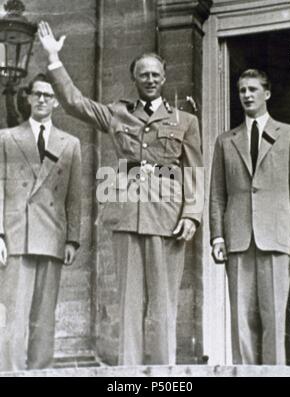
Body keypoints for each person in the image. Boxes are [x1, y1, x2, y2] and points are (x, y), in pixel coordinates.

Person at [38, 21, 204, 365]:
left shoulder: (185, 121)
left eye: (156, 74)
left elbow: (194, 170)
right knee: (129, 301)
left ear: (164, 76)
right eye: (143, 74)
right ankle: (128, 374)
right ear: (135, 79)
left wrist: (192, 214)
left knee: (163, 301)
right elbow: (73, 103)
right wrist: (54, 58)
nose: (150, 79)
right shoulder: (117, 113)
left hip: (167, 216)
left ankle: (164, 377)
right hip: (127, 211)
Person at [209, 68, 290, 365]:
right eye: (242, 90)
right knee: (241, 321)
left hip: (276, 237)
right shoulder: (226, 141)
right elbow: (217, 194)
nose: (246, 95)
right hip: (238, 239)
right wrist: (217, 236)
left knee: (273, 317)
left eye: (252, 89)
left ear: (267, 93)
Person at [0, 73, 82, 371]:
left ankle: (40, 371)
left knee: (44, 317)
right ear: (29, 97)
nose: (42, 99)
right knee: (13, 316)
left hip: (52, 235)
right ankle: (8, 372)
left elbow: (74, 196)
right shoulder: (6, 138)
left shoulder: (70, 143)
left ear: (57, 101)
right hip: (16, 235)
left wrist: (73, 238)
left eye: (48, 95)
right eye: (37, 94)